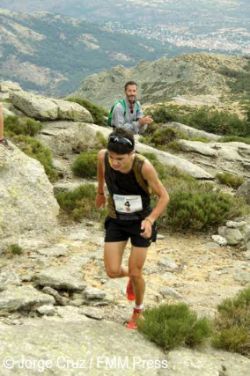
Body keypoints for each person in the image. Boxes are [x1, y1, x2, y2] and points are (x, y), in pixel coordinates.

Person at [96, 128, 169, 329]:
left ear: (131, 153)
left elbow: (164, 197)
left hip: (140, 223)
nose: (114, 162)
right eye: (112, 157)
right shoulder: (103, 157)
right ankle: (132, 277)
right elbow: (102, 171)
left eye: (120, 158)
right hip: (117, 219)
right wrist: (100, 192)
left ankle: (138, 311)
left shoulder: (143, 166)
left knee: (137, 272)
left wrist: (151, 220)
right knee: (112, 271)